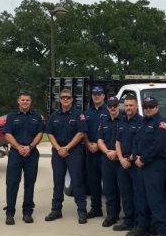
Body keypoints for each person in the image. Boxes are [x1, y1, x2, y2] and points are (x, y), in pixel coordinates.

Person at [128, 96, 166, 236]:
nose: (148, 109)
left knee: (155, 200)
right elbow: (136, 141)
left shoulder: (161, 124)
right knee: (141, 198)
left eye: (151, 106)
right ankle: (142, 228)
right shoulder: (143, 122)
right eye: (146, 107)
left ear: (157, 107)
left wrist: (143, 159)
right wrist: (134, 154)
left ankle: (162, 234)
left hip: (154, 166)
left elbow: (157, 145)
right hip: (140, 165)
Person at [45, 88, 89, 223]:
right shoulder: (54, 115)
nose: (65, 99)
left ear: (72, 99)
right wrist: (59, 148)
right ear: (59, 99)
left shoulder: (78, 114)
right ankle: (56, 210)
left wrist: (68, 147)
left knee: (77, 181)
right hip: (58, 152)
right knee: (58, 182)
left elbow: (81, 132)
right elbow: (49, 133)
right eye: (63, 97)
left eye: (68, 97)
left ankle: (82, 211)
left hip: (74, 151)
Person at [3, 92, 44, 225]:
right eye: (23, 100)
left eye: (27, 100)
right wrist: (19, 147)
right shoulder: (11, 116)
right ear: (18, 101)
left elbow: (39, 133)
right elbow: (7, 134)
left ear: (30, 102)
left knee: (29, 184)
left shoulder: (36, 117)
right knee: (12, 183)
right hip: (15, 154)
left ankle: (27, 212)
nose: (25, 102)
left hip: (31, 153)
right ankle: (10, 213)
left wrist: (30, 147)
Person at [112, 95, 143, 232]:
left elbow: (140, 144)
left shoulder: (141, 122)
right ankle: (128, 221)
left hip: (134, 164)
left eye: (131, 105)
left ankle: (138, 223)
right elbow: (117, 142)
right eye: (127, 105)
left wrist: (130, 159)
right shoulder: (122, 121)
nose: (129, 108)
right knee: (125, 193)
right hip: (122, 162)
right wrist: (121, 159)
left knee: (137, 194)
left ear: (136, 106)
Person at [97, 96, 122, 227]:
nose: (113, 108)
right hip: (107, 159)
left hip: (121, 159)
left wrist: (116, 153)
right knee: (108, 188)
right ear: (107, 107)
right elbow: (99, 140)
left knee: (123, 189)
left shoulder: (124, 120)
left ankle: (126, 216)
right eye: (110, 106)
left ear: (119, 106)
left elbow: (128, 141)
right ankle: (111, 215)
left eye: (115, 105)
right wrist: (107, 152)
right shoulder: (103, 121)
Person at [83, 85, 107, 219]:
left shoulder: (109, 111)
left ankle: (112, 211)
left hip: (103, 152)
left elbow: (110, 132)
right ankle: (96, 208)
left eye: (99, 94)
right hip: (90, 152)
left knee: (108, 183)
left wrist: (99, 145)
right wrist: (88, 144)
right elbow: (83, 131)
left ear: (104, 96)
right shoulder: (87, 113)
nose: (96, 96)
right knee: (93, 182)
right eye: (94, 94)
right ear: (92, 96)